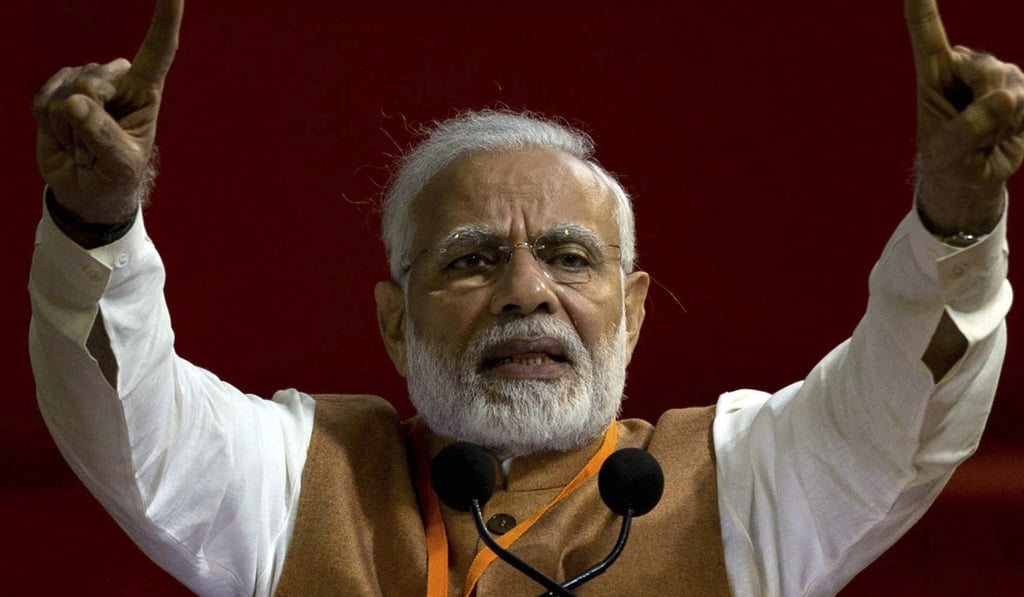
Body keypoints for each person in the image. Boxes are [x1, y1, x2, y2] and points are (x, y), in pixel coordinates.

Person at [28, 0, 1021, 595]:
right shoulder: (299, 477)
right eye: (468, 259)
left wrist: (957, 217)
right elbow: (126, 425)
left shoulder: (741, 485)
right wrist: (97, 223)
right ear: (392, 318)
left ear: (631, 311)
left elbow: (909, 404)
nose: (525, 292)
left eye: (569, 257)